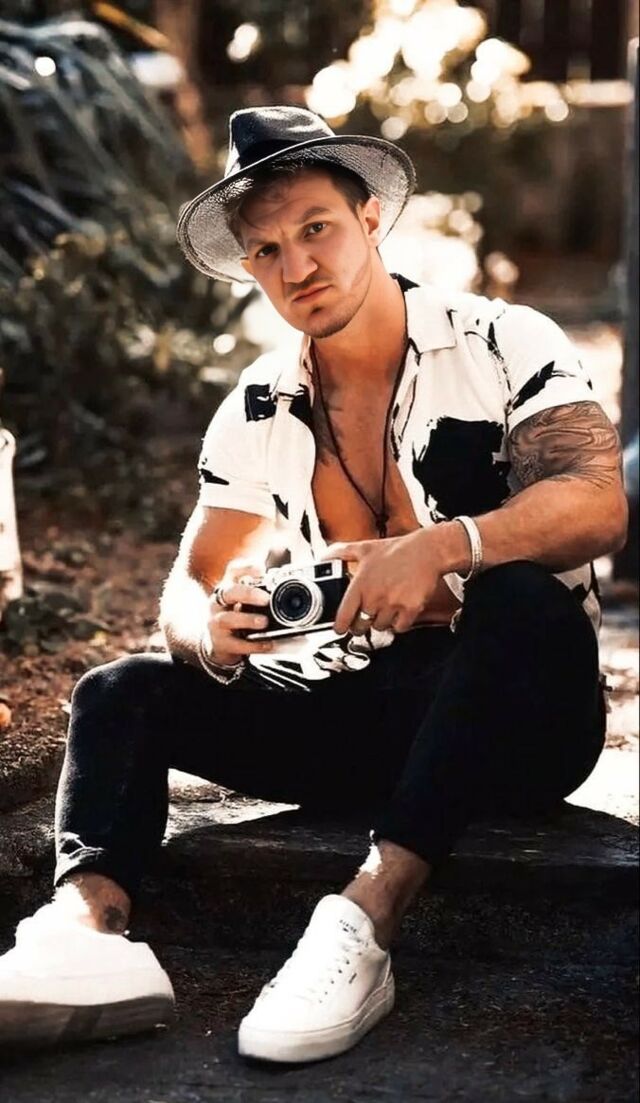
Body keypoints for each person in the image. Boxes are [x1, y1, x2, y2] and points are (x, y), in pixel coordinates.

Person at [0, 106, 627, 1062]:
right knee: (118, 689)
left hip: (521, 718)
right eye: (267, 250)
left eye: (316, 228)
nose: (297, 266)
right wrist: (212, 631)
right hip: (360, 712)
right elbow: (187, 585)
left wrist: (442, 547)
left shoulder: (501, 339)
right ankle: (85, 933)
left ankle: (363, 921)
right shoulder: (259, 403)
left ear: (371, 217)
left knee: (517, 595)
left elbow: (596, 501)